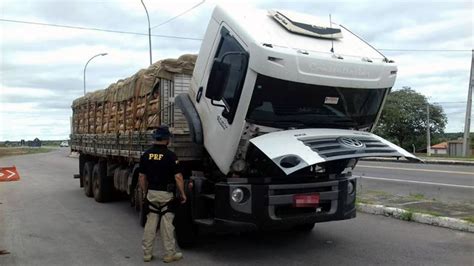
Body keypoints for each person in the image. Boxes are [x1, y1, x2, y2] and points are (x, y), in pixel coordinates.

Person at [139, 125, 186, 263]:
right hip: (166, 195)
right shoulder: (171, 156)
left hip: (151, 193)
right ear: (167, 140)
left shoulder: (146, 155)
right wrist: (183, 193)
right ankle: (169, 254)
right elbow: (178, 177)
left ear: (155, 139)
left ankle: (147, 254)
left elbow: (142, 177)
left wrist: (144, 192)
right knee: (167, 226)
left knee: (150, 224)